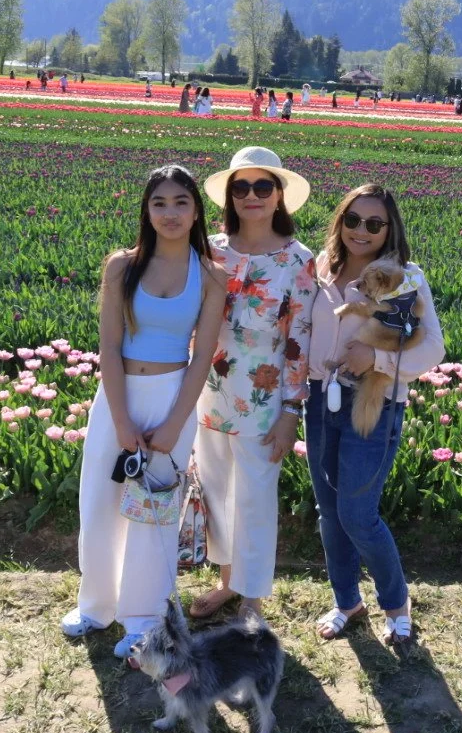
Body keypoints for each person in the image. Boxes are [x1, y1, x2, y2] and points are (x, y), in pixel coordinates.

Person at [60, 166, 228, 658]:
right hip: (117, 395)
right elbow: (108, 348)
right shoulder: (121, 267)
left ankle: (146, 617)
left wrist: (175, 421)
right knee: (99, 500)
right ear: (146, 210)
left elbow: (203, 357)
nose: (170, 213)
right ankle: (95, 606)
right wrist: (121, 419)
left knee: (154, 510)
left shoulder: (211, 275)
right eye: (159, 203)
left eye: (180, 202)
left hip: (173, 394)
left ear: (196, 210)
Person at [306, 184, 445, 649]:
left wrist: (378, 361)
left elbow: (432, 348)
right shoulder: (322, 269)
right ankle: (347, 601)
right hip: (319, 398)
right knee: (330, 512)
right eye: (352, 220)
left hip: (375, 402)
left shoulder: (405, 278)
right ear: (339, 221)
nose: (360, 231)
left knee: (357, 514)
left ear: (390, 230)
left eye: (374, 223)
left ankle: (396, 603)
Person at [190, 147, 316, 620]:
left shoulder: (296, 259)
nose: (252, 196)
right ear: (230, 197)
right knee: (217, 491)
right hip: (208, 394)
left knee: (257, 499)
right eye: (240, 187)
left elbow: (298, 340)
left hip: (263, 401)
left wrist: (290, 413)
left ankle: (253, 598)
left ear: (280, 195)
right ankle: (227, 582)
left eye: (263, 186)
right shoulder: (211, 251)